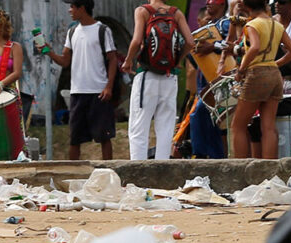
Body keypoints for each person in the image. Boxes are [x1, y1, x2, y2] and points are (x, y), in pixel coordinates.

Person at [45, 0, 120, 160]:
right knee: (74, 139)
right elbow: (65, 61)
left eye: (72, 7)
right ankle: (73, 173)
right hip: (77, 92)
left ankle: (108, 172)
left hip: (98, 92)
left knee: (104, 136)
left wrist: (109, 87)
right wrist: (48, 51)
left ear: (82, 8)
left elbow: (113, 59)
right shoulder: (72, 32)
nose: (69, 10)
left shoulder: (102, 30)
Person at [225, 0, 291, 158]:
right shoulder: (277, 25)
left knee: (238, 126)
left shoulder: (252, 25)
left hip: (257, 74)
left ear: (247, 6)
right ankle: (270, 171)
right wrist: (274, 64)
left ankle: (240, 168)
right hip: (274, 75)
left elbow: (255, 47)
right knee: (269, 127)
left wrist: (241, 68)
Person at [122, 0, 193, 160]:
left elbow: (136, 41)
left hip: (147, 76)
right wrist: (177, 61)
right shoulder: (176, 13)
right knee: (166, 128)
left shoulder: (143, 11)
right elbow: (190, 42)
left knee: (139, 127)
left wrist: (128, 61)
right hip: (170, 77)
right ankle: (163, 172)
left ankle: (137, 174)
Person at [188, 0, 232, 159]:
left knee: (201, 115)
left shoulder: (226, 24)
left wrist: (213, 46)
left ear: (222, 4)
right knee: (207, 120)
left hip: (220, 80)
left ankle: (203, 156)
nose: (208, 3)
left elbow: (234, 45)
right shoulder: (208, 27)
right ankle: (212, 157)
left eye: (213, 0)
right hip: (205, 82)